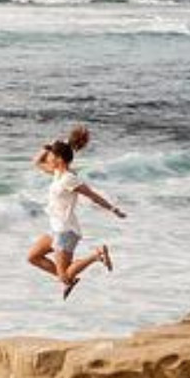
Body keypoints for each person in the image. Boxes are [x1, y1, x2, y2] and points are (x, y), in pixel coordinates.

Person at [27, 125, 126, 299]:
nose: (48, 158)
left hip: (65, 231)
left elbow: (92, 195)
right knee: (33, 257)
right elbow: (36, 162)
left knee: (64, 276)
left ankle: (97, 255)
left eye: (52, 155)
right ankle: (70, 277)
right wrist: (49, 146)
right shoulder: (57, 173)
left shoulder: (69, 179)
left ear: (59, 159)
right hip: (55, 228)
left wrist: (113, 209)